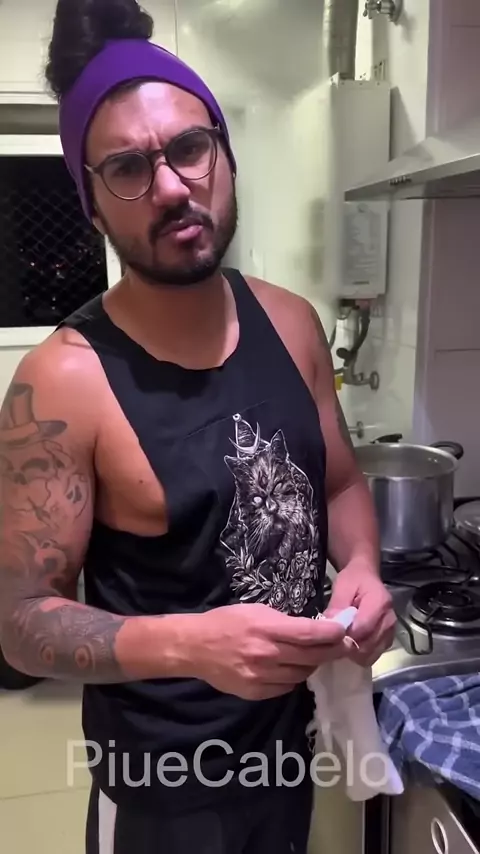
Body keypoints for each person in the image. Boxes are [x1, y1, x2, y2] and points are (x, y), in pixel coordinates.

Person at [0, 0, 396, 851]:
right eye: (127, 167)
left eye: (188, 147)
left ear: (224, 155)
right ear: (92, 206)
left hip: (289, 747)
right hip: (163, 787)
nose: (173, 187)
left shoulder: (292, 323)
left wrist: (361, 566)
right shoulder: (65, 380)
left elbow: (338, 483)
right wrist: (189, 645)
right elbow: (18, 620)